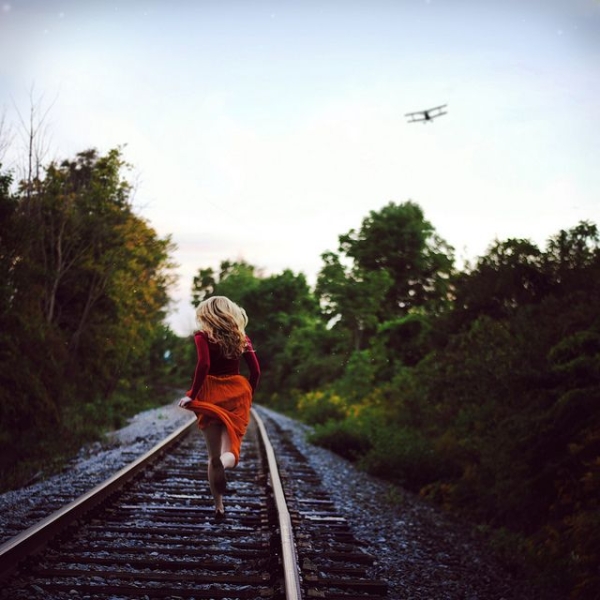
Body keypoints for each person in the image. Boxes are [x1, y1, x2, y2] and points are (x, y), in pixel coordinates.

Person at [178, 296, 260, 520]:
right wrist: (248, 394)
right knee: (230, 449)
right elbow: (255, 372)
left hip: (211, 393)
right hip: (236, 391)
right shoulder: (242, 337)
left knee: (212, 456)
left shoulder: (202, 336)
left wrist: (192, 395)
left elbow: (203, 365)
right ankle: (226, 463)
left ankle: (219, 506)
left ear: (206, 314)